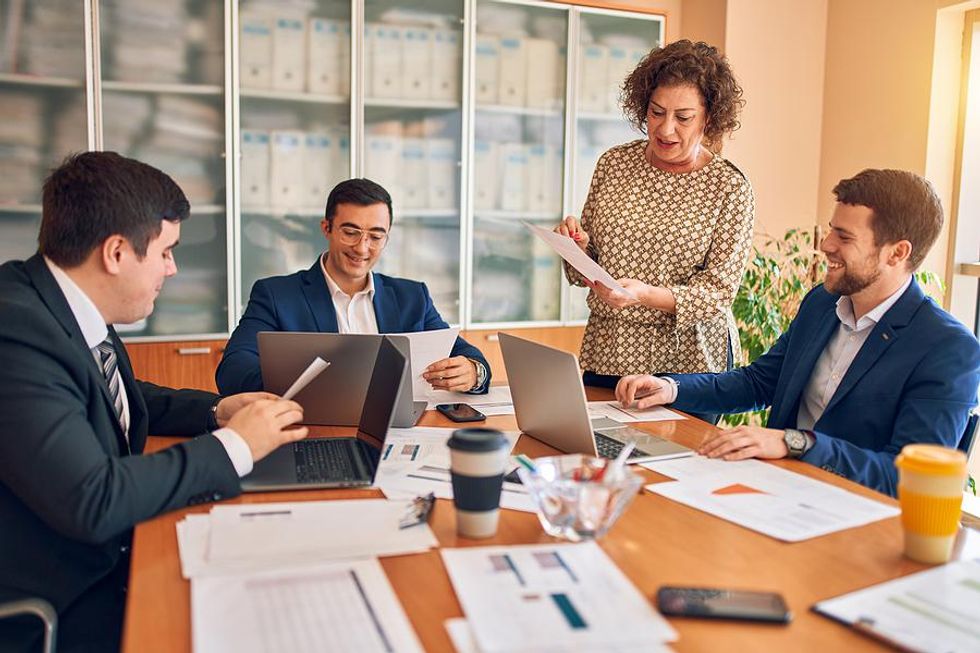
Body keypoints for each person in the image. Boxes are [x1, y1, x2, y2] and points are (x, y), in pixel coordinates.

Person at [0, 152, 308, 652]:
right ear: (116, 253)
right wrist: (236, 446)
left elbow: (114, 392)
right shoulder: (15, 332)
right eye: (165, 251)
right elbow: (94, 500)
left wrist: (215, 412)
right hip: (65, 596)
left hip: (108, 550)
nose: (173, 267)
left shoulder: (60, 303)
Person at [615, 169, 980, 497]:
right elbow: (760, 382)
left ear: (896, 253)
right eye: (831, 229)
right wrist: (672, 388)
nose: (826, 245)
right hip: (773, 491)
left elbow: (908, 479)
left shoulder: (948, 349)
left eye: (844, 236)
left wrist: (797, 443)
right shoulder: (822, 303)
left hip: (853, 520)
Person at [555, 39, 754, 425]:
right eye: (656, 112)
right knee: (600, 464)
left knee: (674, 476)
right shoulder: (614, 164)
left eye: (683, 117)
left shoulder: (729, 187)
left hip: (686, 364)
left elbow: (718, 292)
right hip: (610, 348)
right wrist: (577, 247)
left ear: (709, 119)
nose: (665, 129)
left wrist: (643, 294)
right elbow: (588, 267)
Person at [217, 178, 491, 395]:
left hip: (398, 431)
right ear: (327, 228)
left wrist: (473, 371)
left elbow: (467, 355)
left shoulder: (412, 297)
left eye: (375, 236)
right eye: (350, 232)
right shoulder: (276, 295)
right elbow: (232, 371)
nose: (362, 248)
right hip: (314, 429)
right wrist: (307, 383)